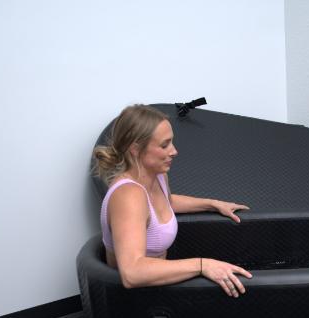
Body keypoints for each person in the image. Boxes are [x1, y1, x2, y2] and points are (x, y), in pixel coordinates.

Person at [92, 104, 252, 298]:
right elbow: (132, 273)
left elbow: (166, 203)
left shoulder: (157, 175)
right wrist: (202, 265)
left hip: (160, 289)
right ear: (135, 149)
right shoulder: (129, 196)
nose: (174, 151)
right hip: (132, 301)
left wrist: (212, 204)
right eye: (164, 145)